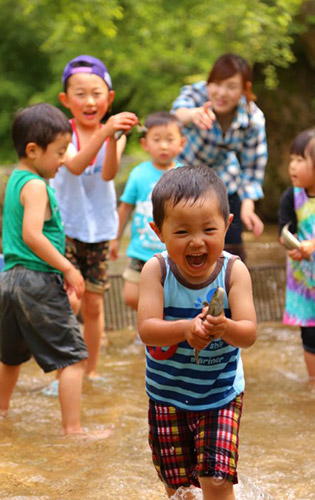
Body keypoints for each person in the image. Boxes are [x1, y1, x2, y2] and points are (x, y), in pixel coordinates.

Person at [138, 165, 257, 499]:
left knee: (216, 482)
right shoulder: (156, 271)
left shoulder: (234, 272)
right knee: (178, 490)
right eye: (181, 232)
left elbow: (248, 334)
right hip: (167, 396)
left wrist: (225, 326)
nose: (197, 241)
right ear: (158, 231)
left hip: (221, 394)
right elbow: (147, 330)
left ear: (227, 225)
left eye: (208, 229)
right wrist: (186, 329)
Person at [0, 103, 88, 436]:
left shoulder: (15, 180)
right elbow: (32, 235)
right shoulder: (36, 185)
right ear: (33, 150)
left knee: (9, 357)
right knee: (73, 358)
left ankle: (1, 411)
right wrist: (68, 268)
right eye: (60, 152)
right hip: (36, 279)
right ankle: (74, 430)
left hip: (9, 279)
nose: (65, 159)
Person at [50, 55, 139, 386]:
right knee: (69, 298)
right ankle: (64, 365)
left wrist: (111, 137)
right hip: (65, 227)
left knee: (94, 305)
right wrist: (105, 132)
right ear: (65, 100)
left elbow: (108, 173)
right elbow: (74, 165)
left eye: (97, 93)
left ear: (109, 98)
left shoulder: (116, 133)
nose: (89, 102)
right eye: (80, 93)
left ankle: (90, 371)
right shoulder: (62, 132)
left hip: (100, 230)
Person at [171, 53, 267, 261]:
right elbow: (177, 113)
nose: (221, 93)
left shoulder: (253, 119)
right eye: (217, 84)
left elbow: (252, 166)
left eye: (231, 87)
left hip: (223, 181)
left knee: (232, 250)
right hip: (182, 177)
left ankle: (230, 290)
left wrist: (247, 207)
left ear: (244, 89)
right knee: (184, 243)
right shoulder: (197, 93)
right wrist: (193, 114)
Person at [111, 111, 185, 310]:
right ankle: (148, 322)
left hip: (172, 252)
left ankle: (162, 327)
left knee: (171, 295)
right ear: (145, 144)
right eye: (157, 139)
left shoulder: (183, 175)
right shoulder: (138, 174)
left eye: (170, 139)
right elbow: (125, 207)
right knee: (131, 296)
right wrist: (115, 239)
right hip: (140, 250)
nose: (163, 145)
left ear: (181, 143)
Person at [278, 129, 315, 385]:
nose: (293, 166)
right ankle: (313, 383)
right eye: (292, 159)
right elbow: (284, 232)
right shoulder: (291, 196)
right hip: (306, 283)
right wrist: (291, 245)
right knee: (310, 336)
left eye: (301, 160)